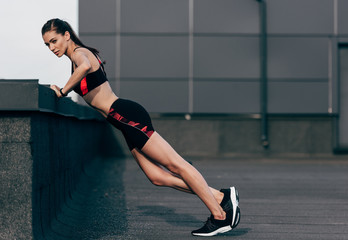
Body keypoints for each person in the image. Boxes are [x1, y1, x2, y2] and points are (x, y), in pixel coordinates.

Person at [41, 18, 240, 237]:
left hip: (125, 115)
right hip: (122, 121)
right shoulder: (76, 57)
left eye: (54, 41)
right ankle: (221, 198)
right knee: (156, 176)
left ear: (66, 35)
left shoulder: (80, 53)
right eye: (47, 45)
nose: (52, 48)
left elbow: (86, 67)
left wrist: (62, 90)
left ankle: (220, 215)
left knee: (177, 165)